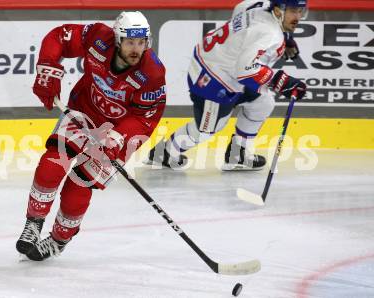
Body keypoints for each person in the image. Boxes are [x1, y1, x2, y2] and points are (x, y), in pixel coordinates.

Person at [16, 11, 166, 261]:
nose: (136, 49)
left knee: (79, 185)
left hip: (120, 131)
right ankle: (34, 223)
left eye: (141, 43)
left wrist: (118, 138)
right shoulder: (98, 37)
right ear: (118, 40)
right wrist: (48, 67)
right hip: (83, 111)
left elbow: (145, 119)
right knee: (51, 164)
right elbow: (60, 37)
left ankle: (59, 239)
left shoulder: (152, 74)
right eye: (130, 42)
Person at [145, 0, 307, 171]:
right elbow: (245, 70)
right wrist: (280, 81)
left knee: (262, 103)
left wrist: (286, 36)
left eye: (300, 11)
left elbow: (240, 8)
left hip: (223, 68)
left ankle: (239, 155)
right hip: (212, 77)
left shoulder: (259, 5)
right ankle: (164, 153)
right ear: (278, 10)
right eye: (293, 11)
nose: (298, 17)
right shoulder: (270, 34)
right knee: (206, 130)